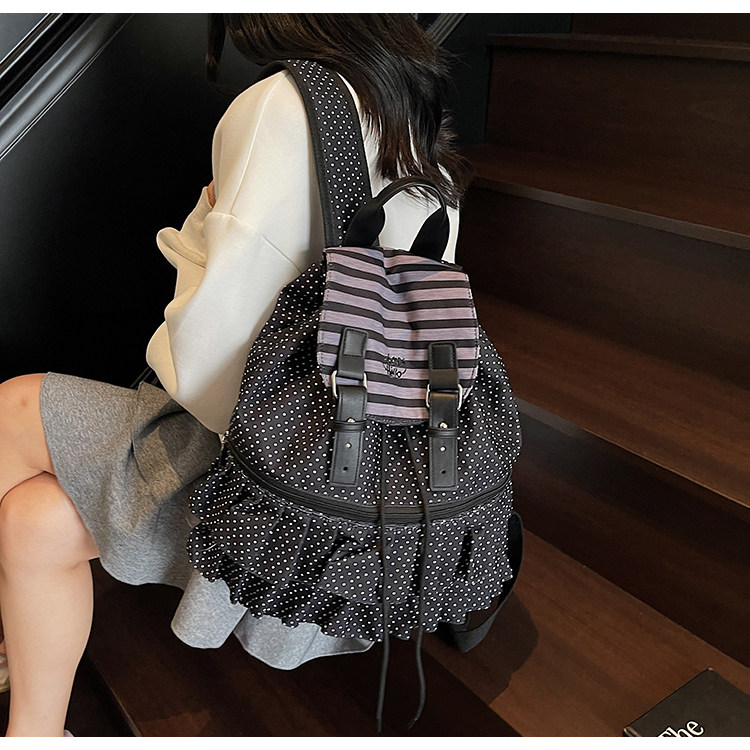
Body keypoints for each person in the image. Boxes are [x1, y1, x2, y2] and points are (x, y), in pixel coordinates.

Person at [0, 13, 470, 737]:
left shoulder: (281, 105)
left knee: (11, 408)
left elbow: (201, 363)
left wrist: (199, 230)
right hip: (362, 483)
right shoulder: (412, 113)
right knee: (34, 524)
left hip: (269, 467)